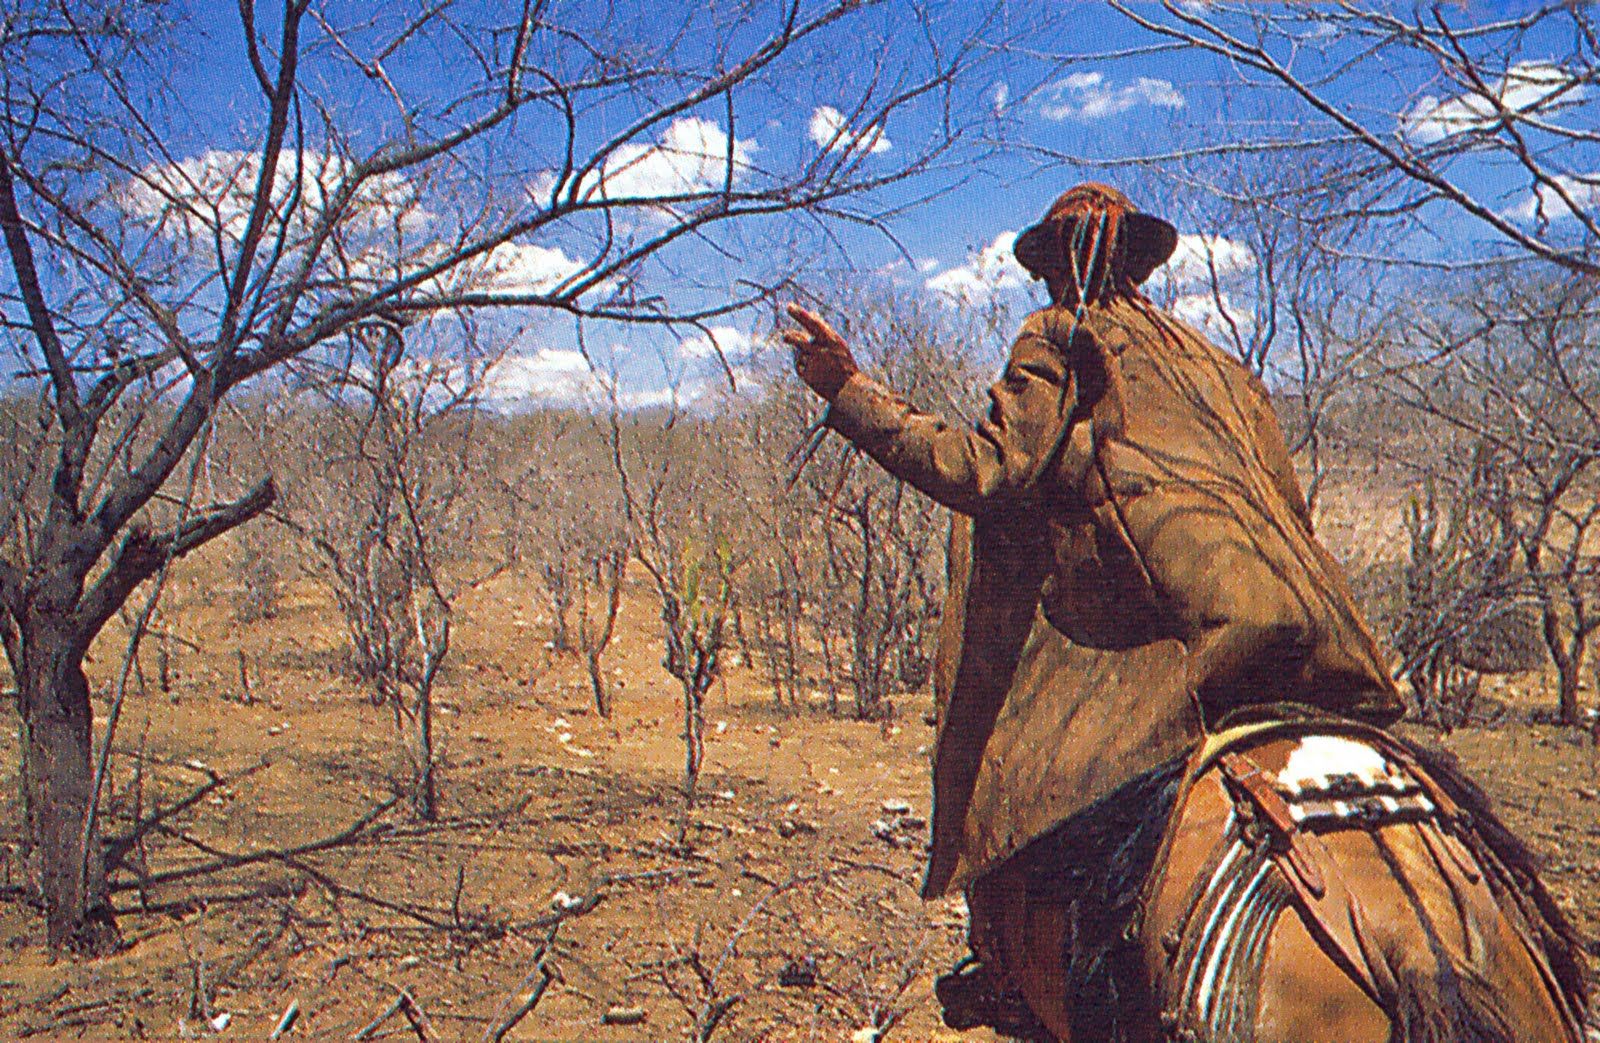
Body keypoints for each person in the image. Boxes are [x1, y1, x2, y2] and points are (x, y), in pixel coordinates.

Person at [781, 183, 1405, 1037]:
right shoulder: (1223, 369)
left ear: (1054, 271)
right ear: (1139, 262)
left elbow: (986, 471)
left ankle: (1018, 979)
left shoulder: (1059, 334)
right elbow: (1286, 513)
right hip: (1314, 650)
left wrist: (847, 388)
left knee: (1049, 818)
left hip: (1181, 654)